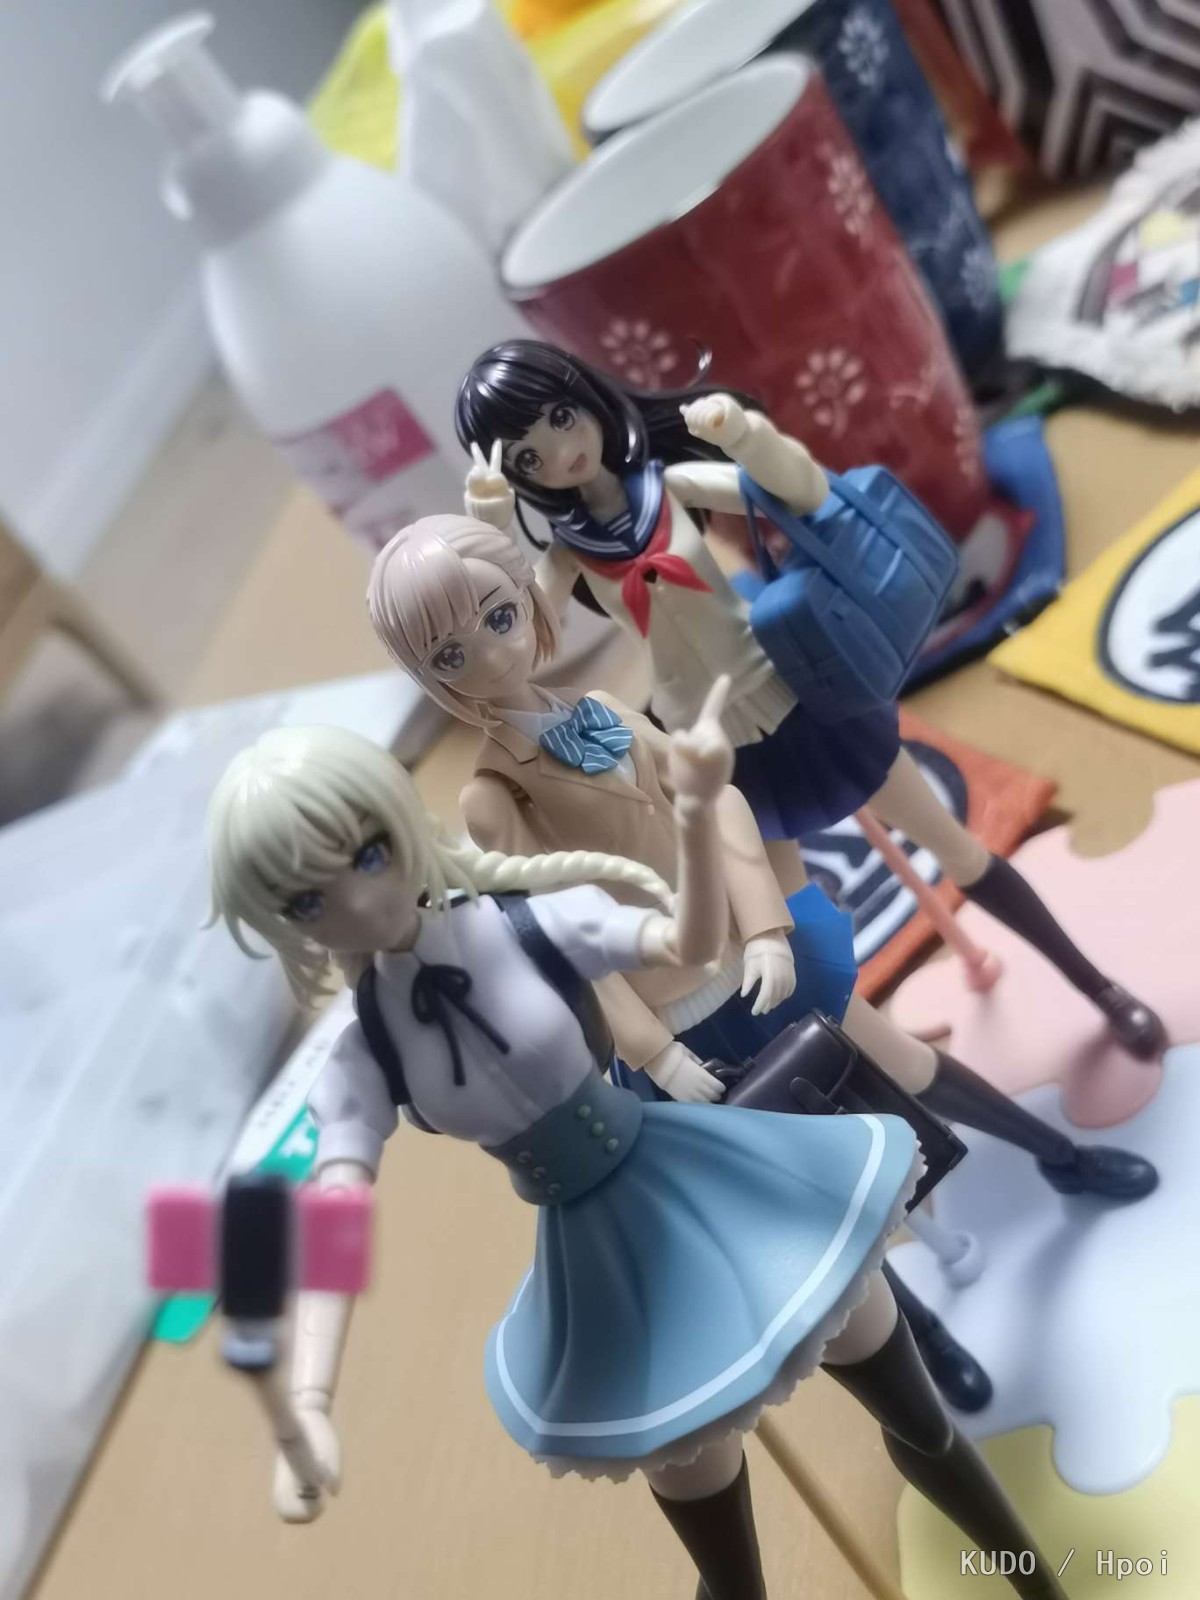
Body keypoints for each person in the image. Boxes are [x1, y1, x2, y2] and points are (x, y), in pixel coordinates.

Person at [207, 709, 1066, 1600]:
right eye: (307, 902)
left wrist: (692, 817)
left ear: (398, 818)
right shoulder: (367, 1052)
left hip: (705, 1176)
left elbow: (682, 945)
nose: (358, 903)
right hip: (607, 1278)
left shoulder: (523, 927)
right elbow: (338, 1206)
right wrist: (309, 1398)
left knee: (921, 1424)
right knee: (727, 1566)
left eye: (369, 854)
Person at [365, 512, 1158, 1417]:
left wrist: (767, 927)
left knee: (900, 1060)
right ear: (429, 677)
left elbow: (722, 805)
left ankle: (1059, 1154)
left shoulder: (603, 712)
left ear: (528, 602)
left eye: (498, 617)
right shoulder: (492, 796)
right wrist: (653, 1051)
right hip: (674, 1016)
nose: (489, 655)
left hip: (751, 953)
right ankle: (928, 1338)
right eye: (450, 655)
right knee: (811, 1185)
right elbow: (559, 941)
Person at [454, 338, 1166, 1059]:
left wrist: (744, 435)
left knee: (953, 845)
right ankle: (889, 1053)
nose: (560, 452)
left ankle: (1099, 988)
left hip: (798, 693)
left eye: (561, 418)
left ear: (589, 399)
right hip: (716, 748)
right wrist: (489, 531)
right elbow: (521, 645)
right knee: (787, 930)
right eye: (529, 457)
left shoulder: (669, 487)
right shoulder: (567, 554)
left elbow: (805, 493)